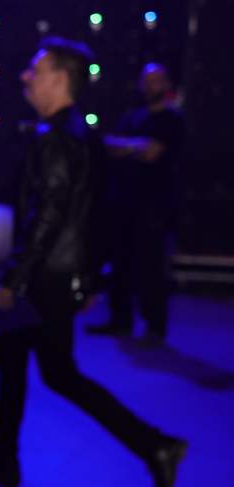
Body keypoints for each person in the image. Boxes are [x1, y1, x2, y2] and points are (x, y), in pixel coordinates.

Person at [0, 38, 186, 487]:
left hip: (45, 278)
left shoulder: (56, 138)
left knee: (59, 373)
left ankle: (155, 445)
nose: (25, 77)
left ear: (60, 79)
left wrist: (13, 282)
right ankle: (4, 454)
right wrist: (90, 276)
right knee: (13, 356)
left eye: (35, 71)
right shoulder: (80, 133)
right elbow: (94, 214)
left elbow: (48, 218)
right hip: (56, 273)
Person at [88, 63, 184, 343]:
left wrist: (129, 146)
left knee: (150, 267)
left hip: (154, 205)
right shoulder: (132, 116)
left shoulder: (171, 120)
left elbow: (152, 153)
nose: (151, 86)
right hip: (123, 201)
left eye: (156, 80)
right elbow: (108, 145)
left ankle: (154, 327)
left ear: (167, 84)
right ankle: (120, 320)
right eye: (147, 81)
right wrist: (136, 146)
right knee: (120, 264)